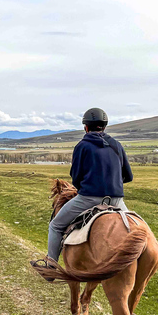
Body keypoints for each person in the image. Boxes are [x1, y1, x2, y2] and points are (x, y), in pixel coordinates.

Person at [45, 108, 133, 266]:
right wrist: (113, 184)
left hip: (88, 199)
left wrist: (85, 187)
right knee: (134, 228)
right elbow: (128, 176)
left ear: (85, 127)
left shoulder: (82, 145)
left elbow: (76, 176)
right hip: (117, 201)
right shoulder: (117, 145)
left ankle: (51, 264)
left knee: (56, 225)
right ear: (105, 126)